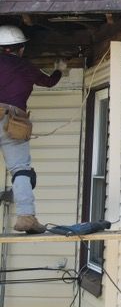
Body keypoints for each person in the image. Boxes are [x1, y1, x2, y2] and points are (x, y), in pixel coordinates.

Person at [0, 25, 66, 233]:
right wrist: (59, 70)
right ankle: (26, 218)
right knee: (20, 169)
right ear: (21, 49)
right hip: (13, 121)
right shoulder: (25, 66)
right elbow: (48, 82)